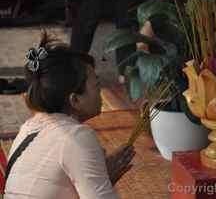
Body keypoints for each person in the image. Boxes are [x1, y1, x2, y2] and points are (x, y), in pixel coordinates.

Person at [4, 32, 135, 199]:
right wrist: (105, 180)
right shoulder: (78, 137)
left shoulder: (28, 127)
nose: (100, 91)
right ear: (75, 100)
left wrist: (102, 178)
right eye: (96, 85)